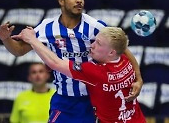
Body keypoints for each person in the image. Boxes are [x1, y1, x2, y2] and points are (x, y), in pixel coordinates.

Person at [0, 0, 143, 123]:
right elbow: (19, 50)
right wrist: (5, 39)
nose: (79, 0)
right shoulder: (47, 27)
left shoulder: (95, 26)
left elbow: (121, 50)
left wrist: (139, 79)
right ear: (61, 1)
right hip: (65, 100)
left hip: (93, 100)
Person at [14, 26, 146, 123]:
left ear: (111, 53)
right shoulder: (125, 60)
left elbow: (56, 63)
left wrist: (32, 39)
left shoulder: (97, 73)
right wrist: (139, 78)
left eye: (98, 43)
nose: (91, 46)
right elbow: (125, 50)